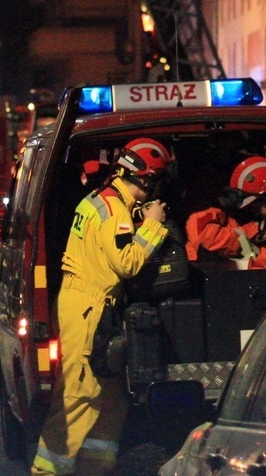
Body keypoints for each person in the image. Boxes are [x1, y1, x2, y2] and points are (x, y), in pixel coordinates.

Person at [31, 137, 172, 475]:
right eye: (154, 180)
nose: (154, 189)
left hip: (91, 305)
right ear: (144, 177)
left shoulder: (105, 201)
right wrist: (153, 224)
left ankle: (94, 469)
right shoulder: (114, 211)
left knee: (110, 398)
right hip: (88, 307)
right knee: (79, 396)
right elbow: (127, 263)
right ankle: (47, 471)